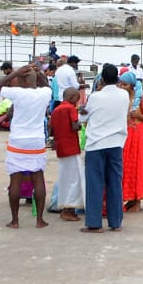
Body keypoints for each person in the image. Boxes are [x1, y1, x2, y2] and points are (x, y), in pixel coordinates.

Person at [0, 64, 52, 229]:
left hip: (18, 140)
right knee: (38, 177)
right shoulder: (43, 93)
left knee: (15, 178)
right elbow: (48, 86)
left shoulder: (16, 93)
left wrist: (14, 74)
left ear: (20, 80)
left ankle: (15, 220)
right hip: (37, 140)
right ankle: (39, 220)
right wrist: (40, 75)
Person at [80, 63, 129, 233]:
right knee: (114, 182)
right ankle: (115, 222)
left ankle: (94, 222)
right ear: (117, 79)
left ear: (101, 79)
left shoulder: (95, 97)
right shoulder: (124, 95)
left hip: (96, 143)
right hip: (116, 142)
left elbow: (82, 117)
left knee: (95, 184)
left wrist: (82, 111)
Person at [118, 72, 143, 212]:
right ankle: (129, 197)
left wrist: (138, 115)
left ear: (132, 85)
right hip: (126, 135)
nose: (122, 87)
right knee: (126, 166)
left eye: (125, 85)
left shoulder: (140, 98)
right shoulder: (121, 98)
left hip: (138, 135)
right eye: (121, 84)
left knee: (136, 166)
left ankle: (137, 199)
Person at [51, 87, 85, 221]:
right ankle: (69, 209)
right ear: (71, 98)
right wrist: (81, 122)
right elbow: (74, 126)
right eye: (76, 100)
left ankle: (64, 206)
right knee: (75, 179)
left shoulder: (56, 110)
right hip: (71, 147)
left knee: (64, 178)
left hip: (61, 148)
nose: (76, 103)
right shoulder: (70, 109)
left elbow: (52, 130)